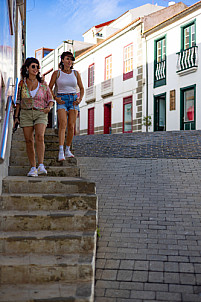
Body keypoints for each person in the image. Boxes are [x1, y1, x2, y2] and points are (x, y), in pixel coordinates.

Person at [13, 57, 54, 177]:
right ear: (27, 68)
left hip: (40, 112)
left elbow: (50, 99)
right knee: (29, 140)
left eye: (37, 67)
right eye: (33, 66)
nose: (36, 69)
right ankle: (33, 168)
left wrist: (49, 108)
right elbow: (19, 101)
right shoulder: (22, 83)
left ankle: (41, 165)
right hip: (25, 114)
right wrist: (16, 117)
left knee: (40, 136)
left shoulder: (43, 83)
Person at [49, 51, 84, 161]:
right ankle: (60, 151)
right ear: (62, 60)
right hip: (62, 99)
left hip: (73, 100)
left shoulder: (76, 73)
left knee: (71, 126)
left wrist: (80, 99)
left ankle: (67, 149)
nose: (70, 61)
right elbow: (49, 88)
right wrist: (55, 98)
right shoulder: (57, 73)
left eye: (71, 59)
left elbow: (82, 88)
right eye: (67, 59)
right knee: (63, 123)